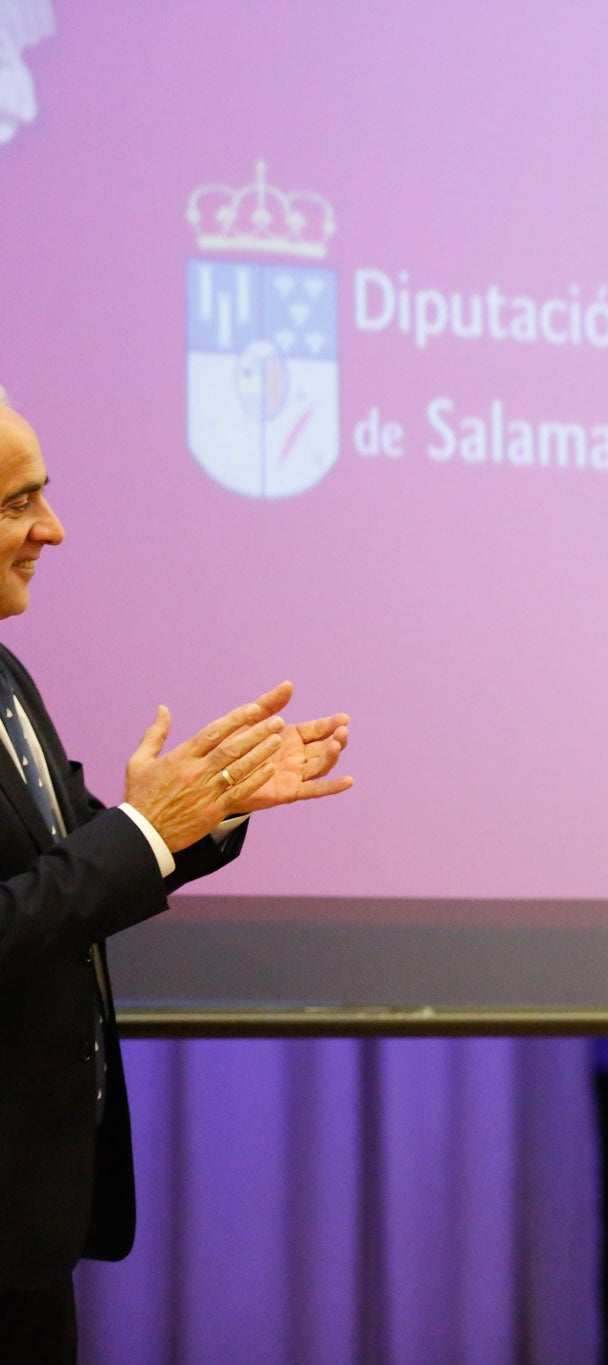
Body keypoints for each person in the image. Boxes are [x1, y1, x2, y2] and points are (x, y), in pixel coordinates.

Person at [0, 390, 354, 1364]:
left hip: (30, 1224)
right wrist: (143, 830)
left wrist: (207, 812)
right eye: (17, 504)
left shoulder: (6, 673)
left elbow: (76, 854)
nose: (53, 530)